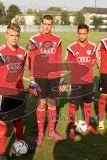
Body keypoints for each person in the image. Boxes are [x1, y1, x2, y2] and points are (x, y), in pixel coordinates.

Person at [0, 23, 28, 160]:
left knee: (18, 121)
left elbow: (22, 69)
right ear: (6, 35)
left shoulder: (23, 52)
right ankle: (3, 152)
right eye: (11, 35)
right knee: (3, 123)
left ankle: (21, 146)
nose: (14, 38)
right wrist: (0, 84)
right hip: (5, 93)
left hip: (19, 92)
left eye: (16, 36)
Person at [28, 15, 65, 145]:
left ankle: (51, 131)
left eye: (49, 24)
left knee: (52, 104)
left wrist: (62, 79)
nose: (46, 26)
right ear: (41, 23)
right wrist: (32, 79)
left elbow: (59, 59)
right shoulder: (34, 40)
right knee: (41, 104)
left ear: (52, 24)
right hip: (40, 77)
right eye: (45, 24)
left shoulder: (58, 40)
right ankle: (40, 134)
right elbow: (31, 60)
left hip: (54, 77)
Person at [65, 24, 98, 140]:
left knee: (88, 105)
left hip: (88, 82)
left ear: (87, 34)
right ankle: (72, 129)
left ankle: (88, 125)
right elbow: (67, 62)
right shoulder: (71, 47)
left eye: (84, 33)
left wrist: (88, 68)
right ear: (77, 33)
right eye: (80, 33)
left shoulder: (93, 47)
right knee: (73, 106)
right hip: (76, 83)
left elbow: (93, 59)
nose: (82, 36)